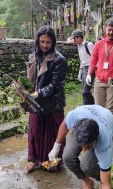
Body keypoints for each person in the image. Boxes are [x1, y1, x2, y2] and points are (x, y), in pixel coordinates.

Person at [25, 26, 67, 172]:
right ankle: (34, 160)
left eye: (48, 42)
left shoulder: (59, 59)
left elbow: (56, 85)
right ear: (37, 41)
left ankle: (53, 161)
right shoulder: (34, 56)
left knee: (54, 132)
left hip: (54, 101)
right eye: (42, 41)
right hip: (36, 102)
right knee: (35, 131)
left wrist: (38, 93)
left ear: (53, 42)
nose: (44, 45)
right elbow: (30, 80)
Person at [48, 105, 113, 189]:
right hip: (85, 123)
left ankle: (100, 180)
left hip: (108, 125)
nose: (84, 150)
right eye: (82, 146)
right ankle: (88, 182)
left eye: (88, 147)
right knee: (68, 157)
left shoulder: (104, 141)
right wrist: (56, 147)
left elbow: (107, 184)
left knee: (88, 166)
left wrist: (104, 183)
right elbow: (65, 125)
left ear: (97, 137)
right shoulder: (75, 116)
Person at [86, 19, 113, 118]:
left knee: (110, 108)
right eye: (109, 30)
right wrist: (89, 74)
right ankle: (100, 130)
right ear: (105, 29)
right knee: (98, 108)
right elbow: (93, 61)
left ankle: (112, 131)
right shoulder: (99, 44)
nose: (111, 32)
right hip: (99, 80)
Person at [71, 29, 95, 105]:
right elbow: (82, 60)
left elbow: (95, 59)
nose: (73, 40)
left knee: (85, 91)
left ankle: (92, 105)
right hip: (84, 69)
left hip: (91, 68)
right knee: (84, 92)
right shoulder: (79, 46)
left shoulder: (89, 45)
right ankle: (86, 107)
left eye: (74, 38)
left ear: (79, 37)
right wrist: (80, 72)